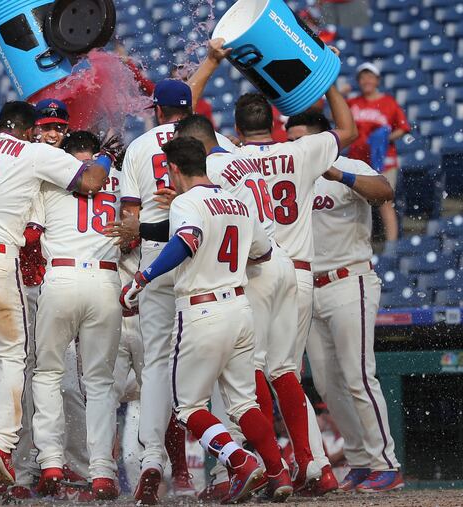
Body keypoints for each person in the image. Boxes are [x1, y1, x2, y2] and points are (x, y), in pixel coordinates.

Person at [0, 101, 110, 489]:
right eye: (45, 127)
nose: (51, 134)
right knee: (13, 361)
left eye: (59, 127)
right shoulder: (37, 157)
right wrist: (105, 156)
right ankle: (0, 448)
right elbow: (90, 181)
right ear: (32, 129)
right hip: (6, 265)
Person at [120, 136, 292, 504]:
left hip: (202, 310)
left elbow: (187, 239)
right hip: (241, 309)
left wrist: (143, 277)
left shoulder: (186, 201)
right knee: (244, 404)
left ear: (175, 169)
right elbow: (261, 254)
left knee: (188, 408)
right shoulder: (237, 201)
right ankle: (278, 474)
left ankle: (240, 461)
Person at [172, 113, 320, 498]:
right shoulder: (242, 158)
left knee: (237, 382)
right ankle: (302, 464)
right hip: (282, 260)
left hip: (241, 277)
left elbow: (199, 231)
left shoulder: (207, 173)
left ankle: (238, 467)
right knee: (283, 369)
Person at [230, 54, 357, 491]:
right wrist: (330, 82)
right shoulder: (301, 150)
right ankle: (314, 466)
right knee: (285, 369)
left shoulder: (224, 160)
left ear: (236, 130)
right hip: (300, 273)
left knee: (252, 372)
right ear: (274, 122)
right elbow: (350, 131)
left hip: (256, 273)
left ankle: (274, 468)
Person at [118, 79, 234, 504]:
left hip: (156, 254)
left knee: (156, 364)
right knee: (214, 364)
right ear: (192, 108)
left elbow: (129, 224)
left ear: (157, 110)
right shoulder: (217, 142)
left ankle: (152, 461)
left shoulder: (140, 146)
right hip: (209, 258)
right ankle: (223, 470)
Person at [286, 111, 404, 493]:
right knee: (326, 382)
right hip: (309, 285)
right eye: (291, 140)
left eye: (301, 139)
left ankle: (386, 462)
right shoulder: (288, 174)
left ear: (323, 138)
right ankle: (358, 459)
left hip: (348, 278)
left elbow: (385, 192)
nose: (295, 147)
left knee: (357, 375)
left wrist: (337, 174)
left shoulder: (347, 166)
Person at [30, 128, 122, 500]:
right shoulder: (117, 180)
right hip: (105, 280)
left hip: (62, 277)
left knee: (48, 372)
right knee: (99, 381)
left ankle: (51, 460)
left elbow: (31, 235)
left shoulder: (51, 180)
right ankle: (102, 471)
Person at [347, 63, 410, 251]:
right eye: (362, 77)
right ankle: (356, 245)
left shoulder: (389, 102)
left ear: (377, 80)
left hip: (384, 161)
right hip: (357, 160)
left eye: (370, 76)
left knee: (385, 203)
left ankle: (391, 247)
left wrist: (384, 139)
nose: (366, 81)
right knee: (355, 203)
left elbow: (403, 127)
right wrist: (342, 92)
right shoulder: (353, 103)